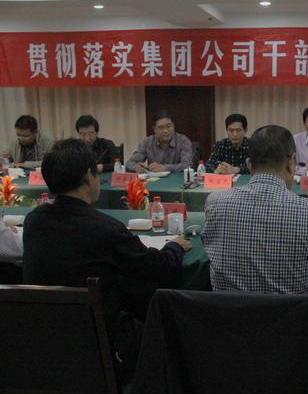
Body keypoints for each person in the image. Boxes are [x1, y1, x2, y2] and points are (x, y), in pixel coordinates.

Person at [22, 138, 192, 379]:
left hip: (45, 341)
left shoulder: (33, 221)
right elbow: (154, 267)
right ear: (88, 177)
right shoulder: (104, 228)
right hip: (101, 343)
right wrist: (175, 247)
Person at [202, 124, 308, 294]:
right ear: (291, 162)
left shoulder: (215, 202)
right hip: (293, 311)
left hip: (228, 310)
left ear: (249, 164)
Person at [126, 110, 193, 173]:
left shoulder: (183, 141)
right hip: (154, 180)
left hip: (177, 180)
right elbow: (130, 163)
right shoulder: (147, 142)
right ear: (154, 129)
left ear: (173, 126)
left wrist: (165, 168)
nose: (165, 131)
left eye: (168, 126)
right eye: (161, 128)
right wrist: (136, 167)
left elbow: (187, 165)